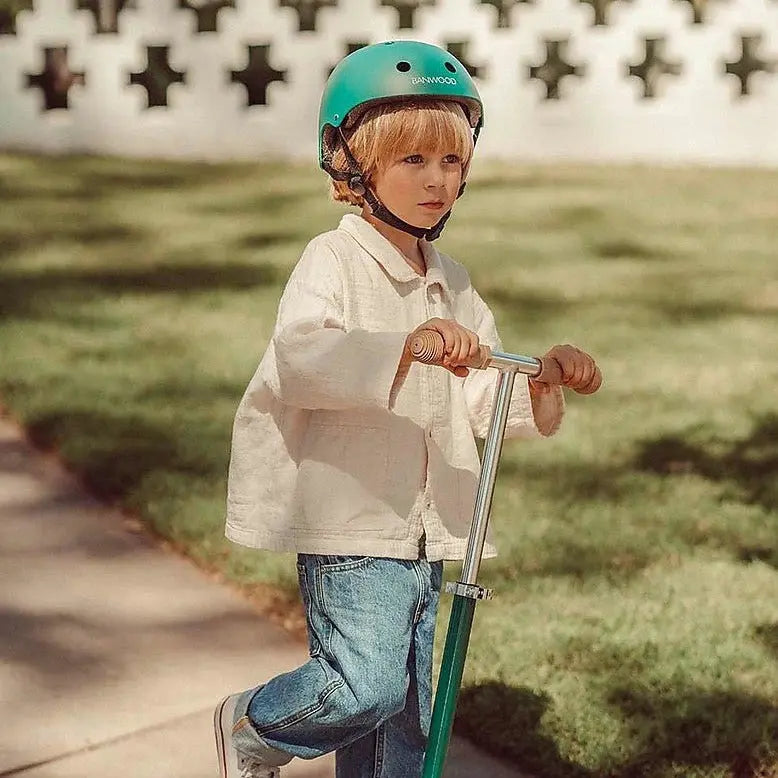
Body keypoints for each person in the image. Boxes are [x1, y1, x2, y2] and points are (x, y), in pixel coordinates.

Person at [214, 40, 602, 778]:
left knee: (408, 720)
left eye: (452, 162)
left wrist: (544, 378)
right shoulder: (332, 262)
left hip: (428, 529)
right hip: (356, 518)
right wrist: (406, 344)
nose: (437, 181)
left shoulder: (453, 280)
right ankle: (255, 723)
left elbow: (484, 394)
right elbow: (301, 357)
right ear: (352, 166)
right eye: (413, 161)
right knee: (364, 685)